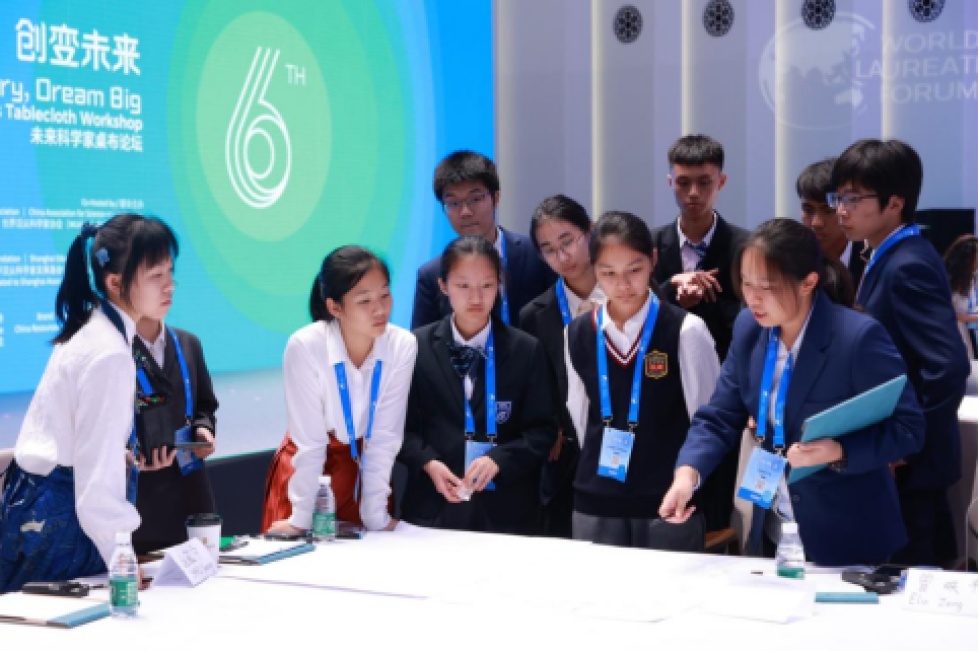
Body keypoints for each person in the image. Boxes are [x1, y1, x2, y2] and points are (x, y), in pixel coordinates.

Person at [660, 218, 925, 566]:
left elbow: (908, 429)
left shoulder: (857, 338)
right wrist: (687, 475)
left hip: (847, 533)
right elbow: (719, 416)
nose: (753, 298)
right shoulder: (749, 328)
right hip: (773, 526)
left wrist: (839, 451)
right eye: (746, 282)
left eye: (767, 286)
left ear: (808, 283)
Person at [0, 214, 178, 592]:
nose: (169, 285)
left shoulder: (89, 330)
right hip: (59, 524)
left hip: (35, 509)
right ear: (114, 282)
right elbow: (96, 482)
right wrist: (121, 557)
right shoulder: (109, 352)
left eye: (170, 271)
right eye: (155, 275)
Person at [832, 139, 970, 567]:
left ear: (895, 202)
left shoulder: (907, 263)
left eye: (853, 198)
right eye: (839, 197)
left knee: (913, 581)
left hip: (910, 466)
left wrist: (904, 446)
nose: (841, 210)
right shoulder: (885, 255)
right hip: (896, 459)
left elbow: (948, 367)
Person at [565, 211, 720, 551]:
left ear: (653, 260)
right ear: (594, 270)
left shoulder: (685, 330)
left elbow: (706, 419)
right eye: (608, 273)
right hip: (595, 499)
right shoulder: (577, 333)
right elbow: (579, 414)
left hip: (668, 498)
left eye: (634, 270)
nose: (623, 285)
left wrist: (690, 480)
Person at [399, 236, 556, 535]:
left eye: (486, 285)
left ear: (500, 285)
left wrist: (500, 460)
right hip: (434, 506)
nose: (476, 298)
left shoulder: (526, 349)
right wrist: (428, 462)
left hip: (507, 510)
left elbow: (542, 431)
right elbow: (399, 428)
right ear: (443, 286)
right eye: (463, 286)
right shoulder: (415, 346)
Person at [264, 247, 417, 535]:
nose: (380, 309)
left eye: (385, 295)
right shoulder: (306, 345)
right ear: (335, 308)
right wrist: (301, 518)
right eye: (365, 301)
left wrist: (376, 514)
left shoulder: (402, 345)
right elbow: (310, 443)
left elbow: (385, 437)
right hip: (305, 475)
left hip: (363, 473)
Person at [519, 195, 604, 538]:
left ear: (590, 231)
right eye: (549, 249)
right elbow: (536, 386)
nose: (562, 256)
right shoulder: (534, 315)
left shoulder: (630, 296)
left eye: (568, 241)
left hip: (629, 442)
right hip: (566, 457)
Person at [411, 150, 556, 329]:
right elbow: (424, 340)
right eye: (453, 203)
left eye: (475, 199)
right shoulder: (431, 275)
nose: (465, 212)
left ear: (496, 198)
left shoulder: (536, 255)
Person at [651, 134, 748, 361]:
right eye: (683, 183)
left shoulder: (746, 247)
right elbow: (634, 310)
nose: (693, 192)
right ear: (670, 182)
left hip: (726, 364)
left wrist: (703, 297)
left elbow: (754, 316)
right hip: (661, 366)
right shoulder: (649, 244)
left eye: (704, 182)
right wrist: (671, 289)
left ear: (721, 181)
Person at [131, 308, 220, 555]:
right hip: (139, 494)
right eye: (156, 283)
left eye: (171, 285)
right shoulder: (114, 350)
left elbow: (205, 405)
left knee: (201, 564)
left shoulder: (188, 343)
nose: (168, 289)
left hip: (190, 486)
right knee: (147, 571)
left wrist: (203, 428)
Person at [797, 158, 866, 285]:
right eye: (808, 210)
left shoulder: (873, 258)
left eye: (828, 210)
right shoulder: (792, 262)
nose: (816, 223)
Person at [944, 234, 978, 360]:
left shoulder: (972, 277)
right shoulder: (948, 280)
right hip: (953, 332)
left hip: (966, 331)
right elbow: (947, 312)